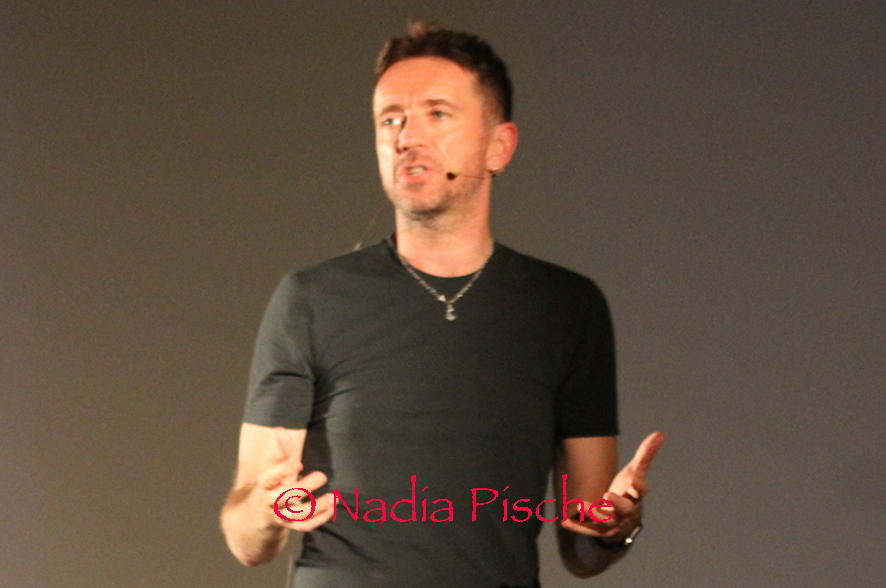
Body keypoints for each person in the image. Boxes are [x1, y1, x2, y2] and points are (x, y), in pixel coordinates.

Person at [220, 19, 664, 588]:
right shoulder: (311, 300)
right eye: (390, 119)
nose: (407, 137)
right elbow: (245, 536)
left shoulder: (566, 309)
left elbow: (584, 547)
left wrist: (616, 525)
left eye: (437, 113)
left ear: (499, 145)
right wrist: (265, 510)